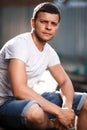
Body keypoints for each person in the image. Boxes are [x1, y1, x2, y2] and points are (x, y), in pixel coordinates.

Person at [0, 2, 87, 130]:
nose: (48, 27)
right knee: (35, 112)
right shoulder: (19, 45)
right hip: (4, 104)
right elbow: (19, 90)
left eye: (53, 24)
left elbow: (64, 81)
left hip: (26, 100)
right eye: (44, 22)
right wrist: (59, 113)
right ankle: (53, 126)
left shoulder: (49, 52)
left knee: (85, 102)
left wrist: (66, 108)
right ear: (33, 23)